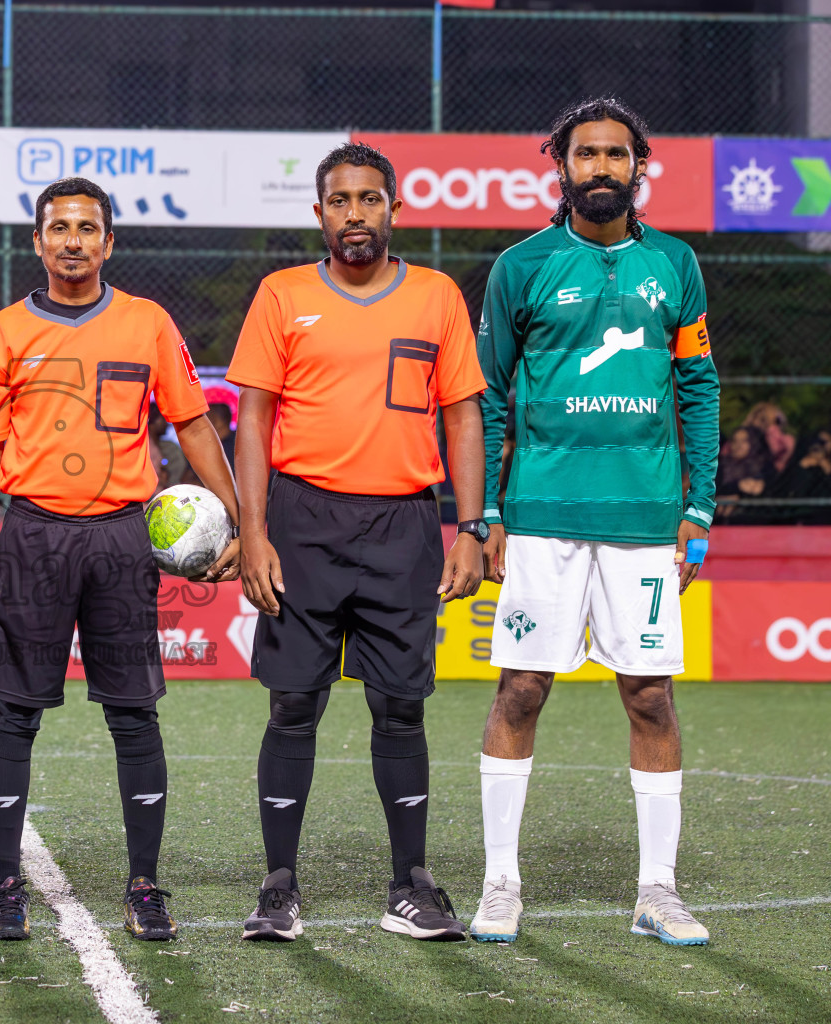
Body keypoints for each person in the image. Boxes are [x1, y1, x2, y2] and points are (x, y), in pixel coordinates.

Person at [471, 98, 720, 946]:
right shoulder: (522, 266)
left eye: (618, 154)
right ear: (561, 165)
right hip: (542, 517)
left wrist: (698, 509)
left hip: (647, 521)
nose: (603, 168)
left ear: (639, 166)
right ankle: (501, 881)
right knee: (521, 689)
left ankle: (659, 890)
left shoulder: (677, 266)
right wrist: (489, 513)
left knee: (650, 695)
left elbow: (699, 388)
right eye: (587, 155)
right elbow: (491, 398)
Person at [0, 176, 240, 943]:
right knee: (15, 712)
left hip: (123, 537)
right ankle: (5, 886)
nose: (74, 240)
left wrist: (241, 522)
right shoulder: (4, 332)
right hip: (32, 537)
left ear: (110, 242)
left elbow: (191, 425)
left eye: (88, 228)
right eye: (59, 228)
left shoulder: (147, 323)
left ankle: (146, 886)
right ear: (38, 242)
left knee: (133, 714)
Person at [230, 142, 487, 943]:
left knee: (401, 708)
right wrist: (253, 529)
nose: (355, 215)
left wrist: (471, 528)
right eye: (340, 201)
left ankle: (410, 883)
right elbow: (255, 419)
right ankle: (279, 886)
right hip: (303, 522)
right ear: (319, 214)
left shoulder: (437, 296)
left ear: (393, 209)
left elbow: (463, 416)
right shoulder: (282, 294)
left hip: (405, 523)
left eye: (370, 200)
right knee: (294, 704)